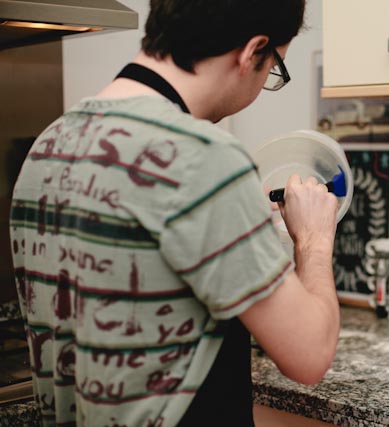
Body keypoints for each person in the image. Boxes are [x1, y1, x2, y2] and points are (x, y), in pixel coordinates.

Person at [9, 1, 340, 426]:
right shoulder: (201, 156)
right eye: (274, 67)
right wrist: (314, 239)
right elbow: (309, 356)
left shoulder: (49, 144)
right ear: (252, 51)